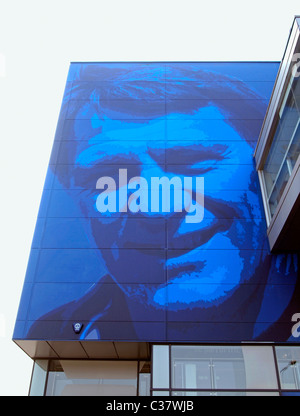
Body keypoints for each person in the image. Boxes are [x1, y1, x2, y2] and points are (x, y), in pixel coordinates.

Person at [27, 63, 299, 342]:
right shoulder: (54, 333)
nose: (157, 209)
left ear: (265, 171)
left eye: (193, 162)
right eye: (109, 177)